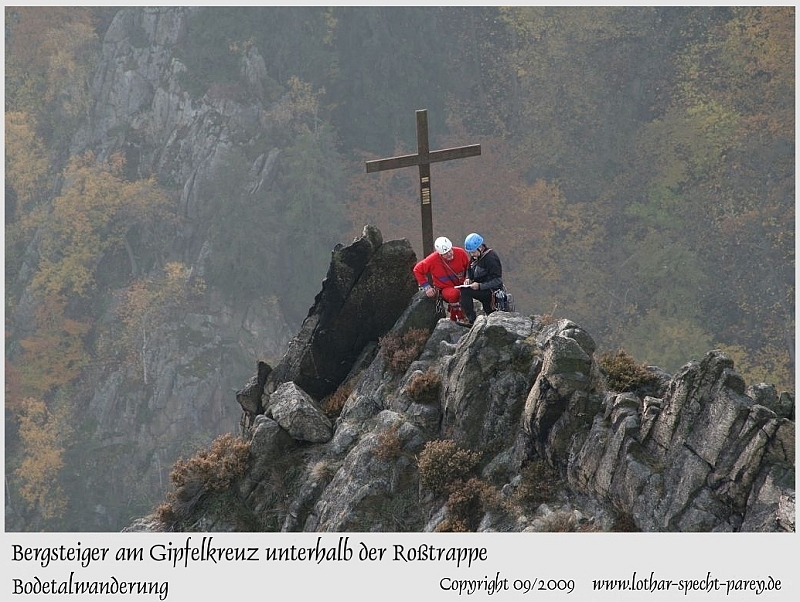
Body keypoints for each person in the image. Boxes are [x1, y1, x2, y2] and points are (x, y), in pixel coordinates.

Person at [413, 236, 470, 322]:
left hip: (463, 285)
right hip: (445, 288)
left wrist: (468, 278)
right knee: (454, 294)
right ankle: (459, 318)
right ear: (440, 254)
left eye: (450, 250)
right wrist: (427, 287)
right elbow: (417, 270)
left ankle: (463, 317)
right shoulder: (432, 260)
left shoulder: (461, 253)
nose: (450, 254)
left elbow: (469, 267)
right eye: (446, 253)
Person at [458, 232, 503, 326]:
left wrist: (480, 286)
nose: (471, 254)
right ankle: (471, 319)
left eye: (473, 252)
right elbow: (470, 270)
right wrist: (468, 279)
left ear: (480, 247)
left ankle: (472, 321)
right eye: (470, 252)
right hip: (482, 289)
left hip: (491, 292)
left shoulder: (491, 258)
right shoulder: (476, 256)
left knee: (466, 292)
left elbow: (497, 280)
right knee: (464, 290)